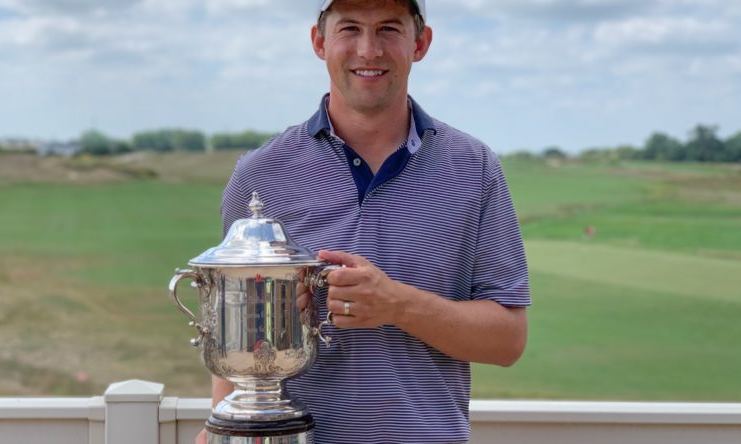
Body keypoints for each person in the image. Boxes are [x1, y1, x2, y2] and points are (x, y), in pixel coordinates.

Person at [200, 0, 530, 442]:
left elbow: (507, 341)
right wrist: (221, 427)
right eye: (350, 28)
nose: (369, 50)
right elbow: (237, 332)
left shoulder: (475, 168)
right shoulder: (260, 175)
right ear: (320, 42)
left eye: (389, 29)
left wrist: (396, 305)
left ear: (421, 43)